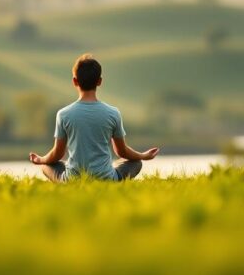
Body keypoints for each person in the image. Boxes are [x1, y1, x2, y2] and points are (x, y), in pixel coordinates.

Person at [29, 54, 159, 181]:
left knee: (47, 165)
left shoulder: (63, 114)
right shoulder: (113, 113)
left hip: (73, 180)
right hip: (107, 178)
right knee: (136, 163)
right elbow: (122, 152)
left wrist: (40, 160)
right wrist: (143, 155)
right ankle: (110, 175)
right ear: (99, 81)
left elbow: (57, 154)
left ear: (75, 81)